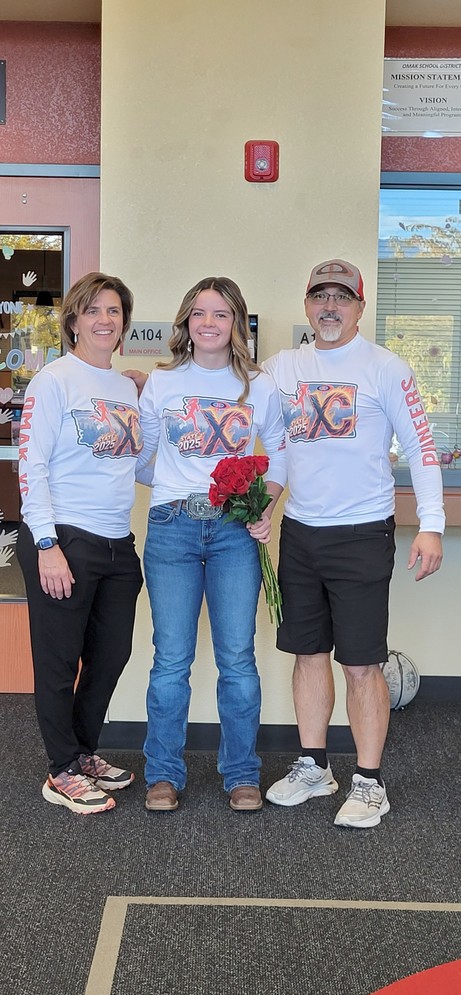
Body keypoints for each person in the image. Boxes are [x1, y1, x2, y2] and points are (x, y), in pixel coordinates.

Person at [262, 258, 444, 828]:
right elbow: (227, 390)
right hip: (301, 534)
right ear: (308, 304)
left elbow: (421, 447)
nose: (330, 306)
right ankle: (315, 768)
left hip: (362, 533)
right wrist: (150, 381)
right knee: (307, 654)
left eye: (343, 297)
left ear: (361, 307)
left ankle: (369, 782)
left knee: (362, 663)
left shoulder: (386, 368)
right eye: (320, 296)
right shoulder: (283, 367)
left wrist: (432, 524)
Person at [135, 276, 286, 812]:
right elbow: (141, 459)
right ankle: (163, 775)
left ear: (237, 323)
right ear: (185, 322)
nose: (208, 323)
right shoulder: (163, 383)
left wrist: (258, 509)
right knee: (171, 659)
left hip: (232, 533)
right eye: (199, 313)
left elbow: (282, 459)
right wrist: (182, 488)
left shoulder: (258, 385)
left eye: (220, 314)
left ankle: (242, 773)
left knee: (238, 659)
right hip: (172, 528)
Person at [16, 272, 143, 815]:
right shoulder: (53, 381)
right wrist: (46, 543)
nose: (104, 320)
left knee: (112, 654)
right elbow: (32, 465)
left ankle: (83, 751)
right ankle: (61, 768)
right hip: (63, 536)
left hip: (117, 542)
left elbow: (141, 463)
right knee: (58, 658)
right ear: (73, 320)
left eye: (113, 311)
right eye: (93, 310)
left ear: (123, 323)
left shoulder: (125, 388)